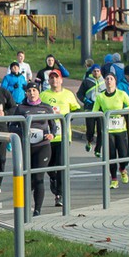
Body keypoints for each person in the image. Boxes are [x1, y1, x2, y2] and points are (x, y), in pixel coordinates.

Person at [13, 82, 56, 216]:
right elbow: (12, 126)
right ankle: (24, 207)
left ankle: (37, 210)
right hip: (26, 148)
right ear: (26, 93)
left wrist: (52, 134)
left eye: (34, 91)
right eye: (29, 91)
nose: (32, 93)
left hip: (42, 146)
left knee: (38, 177)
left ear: (39, 92)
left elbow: (54, 125)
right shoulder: (20, 108)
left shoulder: (46, 108)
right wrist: (22, 132)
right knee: (27, 178)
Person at [39, 70, 80, 206]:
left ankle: (60, 194)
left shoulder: (68, 94)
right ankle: (52, 178)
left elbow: (76, 110)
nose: (54, 81)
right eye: (51, 78)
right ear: (48, 81)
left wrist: (69, 119)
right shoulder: (44, 95)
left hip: (63, 136)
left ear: (61, 80)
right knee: (49, 166)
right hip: (48, 137)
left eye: (56, 78)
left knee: (61, 165)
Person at [94, 72, 129, 189]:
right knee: (111, 156)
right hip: (108, 131)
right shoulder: (100, 96)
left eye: (111, 79)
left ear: (115, 81)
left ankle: (122, 168)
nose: (109, 81)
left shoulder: (122, 94)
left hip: (121, 129)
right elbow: (95, 111)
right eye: (107, 79)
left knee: (123, 154)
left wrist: (121, 110)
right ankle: (114, 179)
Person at [77, 65, 106, 153]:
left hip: (101, 110)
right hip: (90, 109)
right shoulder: (87, 81)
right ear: (91, 72)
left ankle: (98, 150)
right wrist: (85, 100)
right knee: (90, 130)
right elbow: (79, 94)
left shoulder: (104, 81)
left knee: (101, 130)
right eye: (94, 71)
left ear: (100, 72)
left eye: (98, 71)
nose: (96, 73)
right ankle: (89, 141)